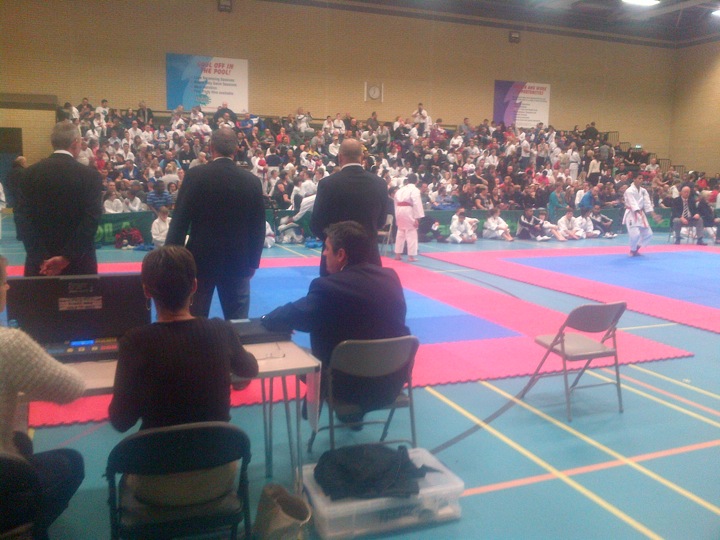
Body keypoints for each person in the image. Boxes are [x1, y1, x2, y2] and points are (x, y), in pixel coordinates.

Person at [109, 246, 258, 505]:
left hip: (155, 482)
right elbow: (250, 369)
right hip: (219, 476)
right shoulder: (221, 330)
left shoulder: (135, 342)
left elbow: (121, 421)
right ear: (195, 286)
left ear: (146, 290)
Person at [261, 221, 409, 416]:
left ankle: (323, 407)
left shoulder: (327, 287)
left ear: (341, 255)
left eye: (327, 249)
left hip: (344, 387)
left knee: (292, 352)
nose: (323, 254)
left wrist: (266, 318)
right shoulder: (390, 277)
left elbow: (294, 315)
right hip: (391, 382)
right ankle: (353, 416)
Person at [0, 255, 86, 539]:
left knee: (21, 441)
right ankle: (27, 529)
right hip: (4, 483)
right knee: (71, 462)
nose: (8, 288)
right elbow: (72, 388)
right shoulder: (9, 344)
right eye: (4, 282)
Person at [166, 127, 265, 320]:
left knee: (194, 319)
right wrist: (253, 262)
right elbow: (258, 227)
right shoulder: (251, 181)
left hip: (200, 260)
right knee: (238, 322)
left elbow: (179, 221)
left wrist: (173, 261)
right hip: (238, 261)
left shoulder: (195, 176)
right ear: (236, 149)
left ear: (211, 147)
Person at [15, 121, 103, 276]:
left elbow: (22, 218)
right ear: (76, 142)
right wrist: (66, 257)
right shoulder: (90, 176)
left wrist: (41, 258)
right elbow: (91, 220)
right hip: (80, 264)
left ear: (53, 142)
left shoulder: (29, 174)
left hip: (41, 266)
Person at [310, 138, 388, 276]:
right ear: (362, 157)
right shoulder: (380, 183)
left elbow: (316, 224)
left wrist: (334, 242)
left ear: (340, 157)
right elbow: (381, 221)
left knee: (332, 290)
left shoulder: (327, 184)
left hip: (336, 258)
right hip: (368, 257)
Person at [623, 174, 661, 256]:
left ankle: (636, 249)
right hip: (631, 214)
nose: (641, 180)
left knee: (649, 234)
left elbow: (647, 204)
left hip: (640, 213)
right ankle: (632, 250)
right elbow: (633, 203)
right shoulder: (629, 191)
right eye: (639, 178)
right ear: (634, 179)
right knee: (635, 234)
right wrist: (638, 212)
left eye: (642, 179)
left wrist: (653, 215)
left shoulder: (643, 191)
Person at [393, 173, 424, 262]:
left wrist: (396, 215)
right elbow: (417, 203)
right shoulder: (415, 190)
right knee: (411, 232)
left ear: (408, 180)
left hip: (399, 210)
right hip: (408, 210)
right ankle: (411, 256)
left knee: (400, 231)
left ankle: (398, 254)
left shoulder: (400, 189)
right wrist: (417, 217)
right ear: (416, 181)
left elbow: (395, 202)